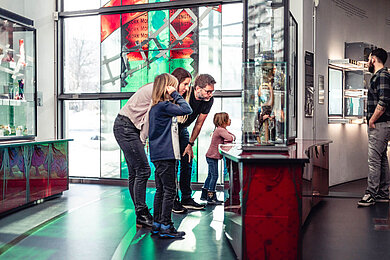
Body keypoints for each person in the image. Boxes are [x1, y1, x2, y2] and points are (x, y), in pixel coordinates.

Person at [113, 68, 191, 227]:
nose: (182, 89)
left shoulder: (158, 93)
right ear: (169, 85)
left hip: (128, 126)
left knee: (136, 172)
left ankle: (140, 213)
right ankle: (141, 213)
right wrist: (143, 143)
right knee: (143, 170)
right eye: (180, 85)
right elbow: (148, 120)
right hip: (126, 127)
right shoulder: (155, 93)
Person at [148, 73, 192, 238]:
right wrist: (175, 94)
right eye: (172, 86)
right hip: (167, 155)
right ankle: (166, 225)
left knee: (161, 190)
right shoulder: (164, 106)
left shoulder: (155, 108)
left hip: (158, 155)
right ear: (167, 87)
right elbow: (187, 109)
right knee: (169, 191)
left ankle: (157, 224)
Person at [173, 73, 217, 212]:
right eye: (208, 91)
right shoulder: (186, 92)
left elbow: (198, 124)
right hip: (171, 129)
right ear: (197, 88)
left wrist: (190, 144)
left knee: (187, 160)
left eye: (212, 92)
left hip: (183, 130)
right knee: (172, 164)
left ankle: (186, 198)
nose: (210, 94)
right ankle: (173, 200)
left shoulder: (208, 101)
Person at [358, 48, 390, 207]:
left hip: (379, 124)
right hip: (381, 124)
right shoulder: (379, 76)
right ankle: (383, 193)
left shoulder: (382, 75)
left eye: (369, 58)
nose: (367, 62)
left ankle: (371, 194)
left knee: (374, 160)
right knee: (382, 158)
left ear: (374, 59)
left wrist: (372, 120)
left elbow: (384, 101)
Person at [200, 112, 235, 205]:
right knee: (214, 176)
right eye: (228, 118)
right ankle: (211, 197)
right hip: (212, 156)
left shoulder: (220, 129)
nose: (230, 120)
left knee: (210, 175)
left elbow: (230, 136)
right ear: (223, 121)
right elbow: (230, 138)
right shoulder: (220, 130)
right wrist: (231, 136)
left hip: (210, 156)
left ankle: (204, 195)